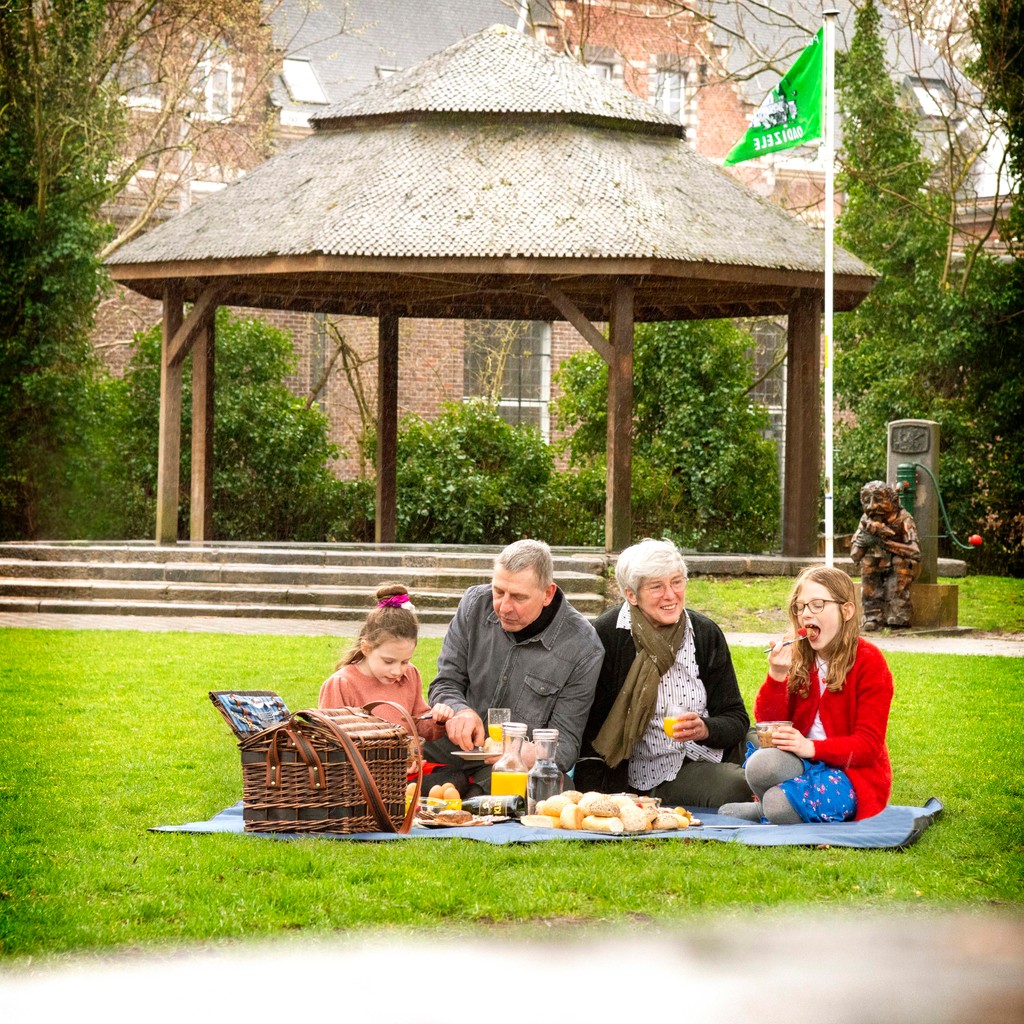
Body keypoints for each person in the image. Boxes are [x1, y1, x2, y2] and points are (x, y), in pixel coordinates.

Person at [574, 539, 753, 809]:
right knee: (737, 785)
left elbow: (735, 717)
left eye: (677, 582)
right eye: (657, 586)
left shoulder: (704, 633)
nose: (671, 595)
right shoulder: (607, 635)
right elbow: (589, 727)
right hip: (657, 770)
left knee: (770, 751)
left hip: (715, 747)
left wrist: (705, 728)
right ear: (632, 595)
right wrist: (598, 797)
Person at [424, 539, 605, 795]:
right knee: (395, 749)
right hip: (452, 746)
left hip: (514, 766)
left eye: (519, 597)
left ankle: (453, 787)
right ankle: (458, 786)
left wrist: (519, 751)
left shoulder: (584, 647)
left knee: (557, 788)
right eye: (498, 592)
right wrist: (460, 710)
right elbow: (445, 683)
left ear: (547, 593)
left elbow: (565, 746)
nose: (504, 607)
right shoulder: (474, 604)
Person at [719, 565, 894, 824]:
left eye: (817, 605)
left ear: (846, 611)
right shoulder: (800, 657)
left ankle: (769, 809)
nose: (805, 615)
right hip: (804, 763)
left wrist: (811, 746)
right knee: (760, 765)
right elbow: (770, 727)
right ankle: (774, 806)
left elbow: (868, 746)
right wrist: (777, 675)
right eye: (800, 607)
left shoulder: (869, 662)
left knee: (779, 806)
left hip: (851, 775)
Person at [318, 583, 453, 748]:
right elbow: (331, 744)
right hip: (363, 772)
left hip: (408, 768)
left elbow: (419, 726)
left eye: (405, 661)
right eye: (388, 661)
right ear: (366, 648)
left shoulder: (410, 674)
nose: (397, 671)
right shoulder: (341, 684)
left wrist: (436, 720)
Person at [849, 480, 921, 630]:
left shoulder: (903, 519)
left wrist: (884, 542)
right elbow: (855, 555)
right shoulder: (865, 520)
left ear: (893, 501)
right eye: (867, 501)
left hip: (904, 566)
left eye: (879, 500)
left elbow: (915, 552)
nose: (872, 506)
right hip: (881, 564)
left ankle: (899, 614)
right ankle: (872, 615)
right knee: (868, 564)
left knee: (899, 562)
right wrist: (865, 538)